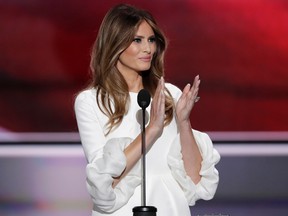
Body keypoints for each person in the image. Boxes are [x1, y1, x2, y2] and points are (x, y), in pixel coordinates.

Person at [74, 4, 220, 216]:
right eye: (137, 40)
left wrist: (184, 121)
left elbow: (195, 181)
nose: (148, 49)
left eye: (151, 40)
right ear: (115, 43)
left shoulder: (169, 95)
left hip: (171, 208)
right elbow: (105, 181)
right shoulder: (90, 102)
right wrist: (152, 130)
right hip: (122, 210)